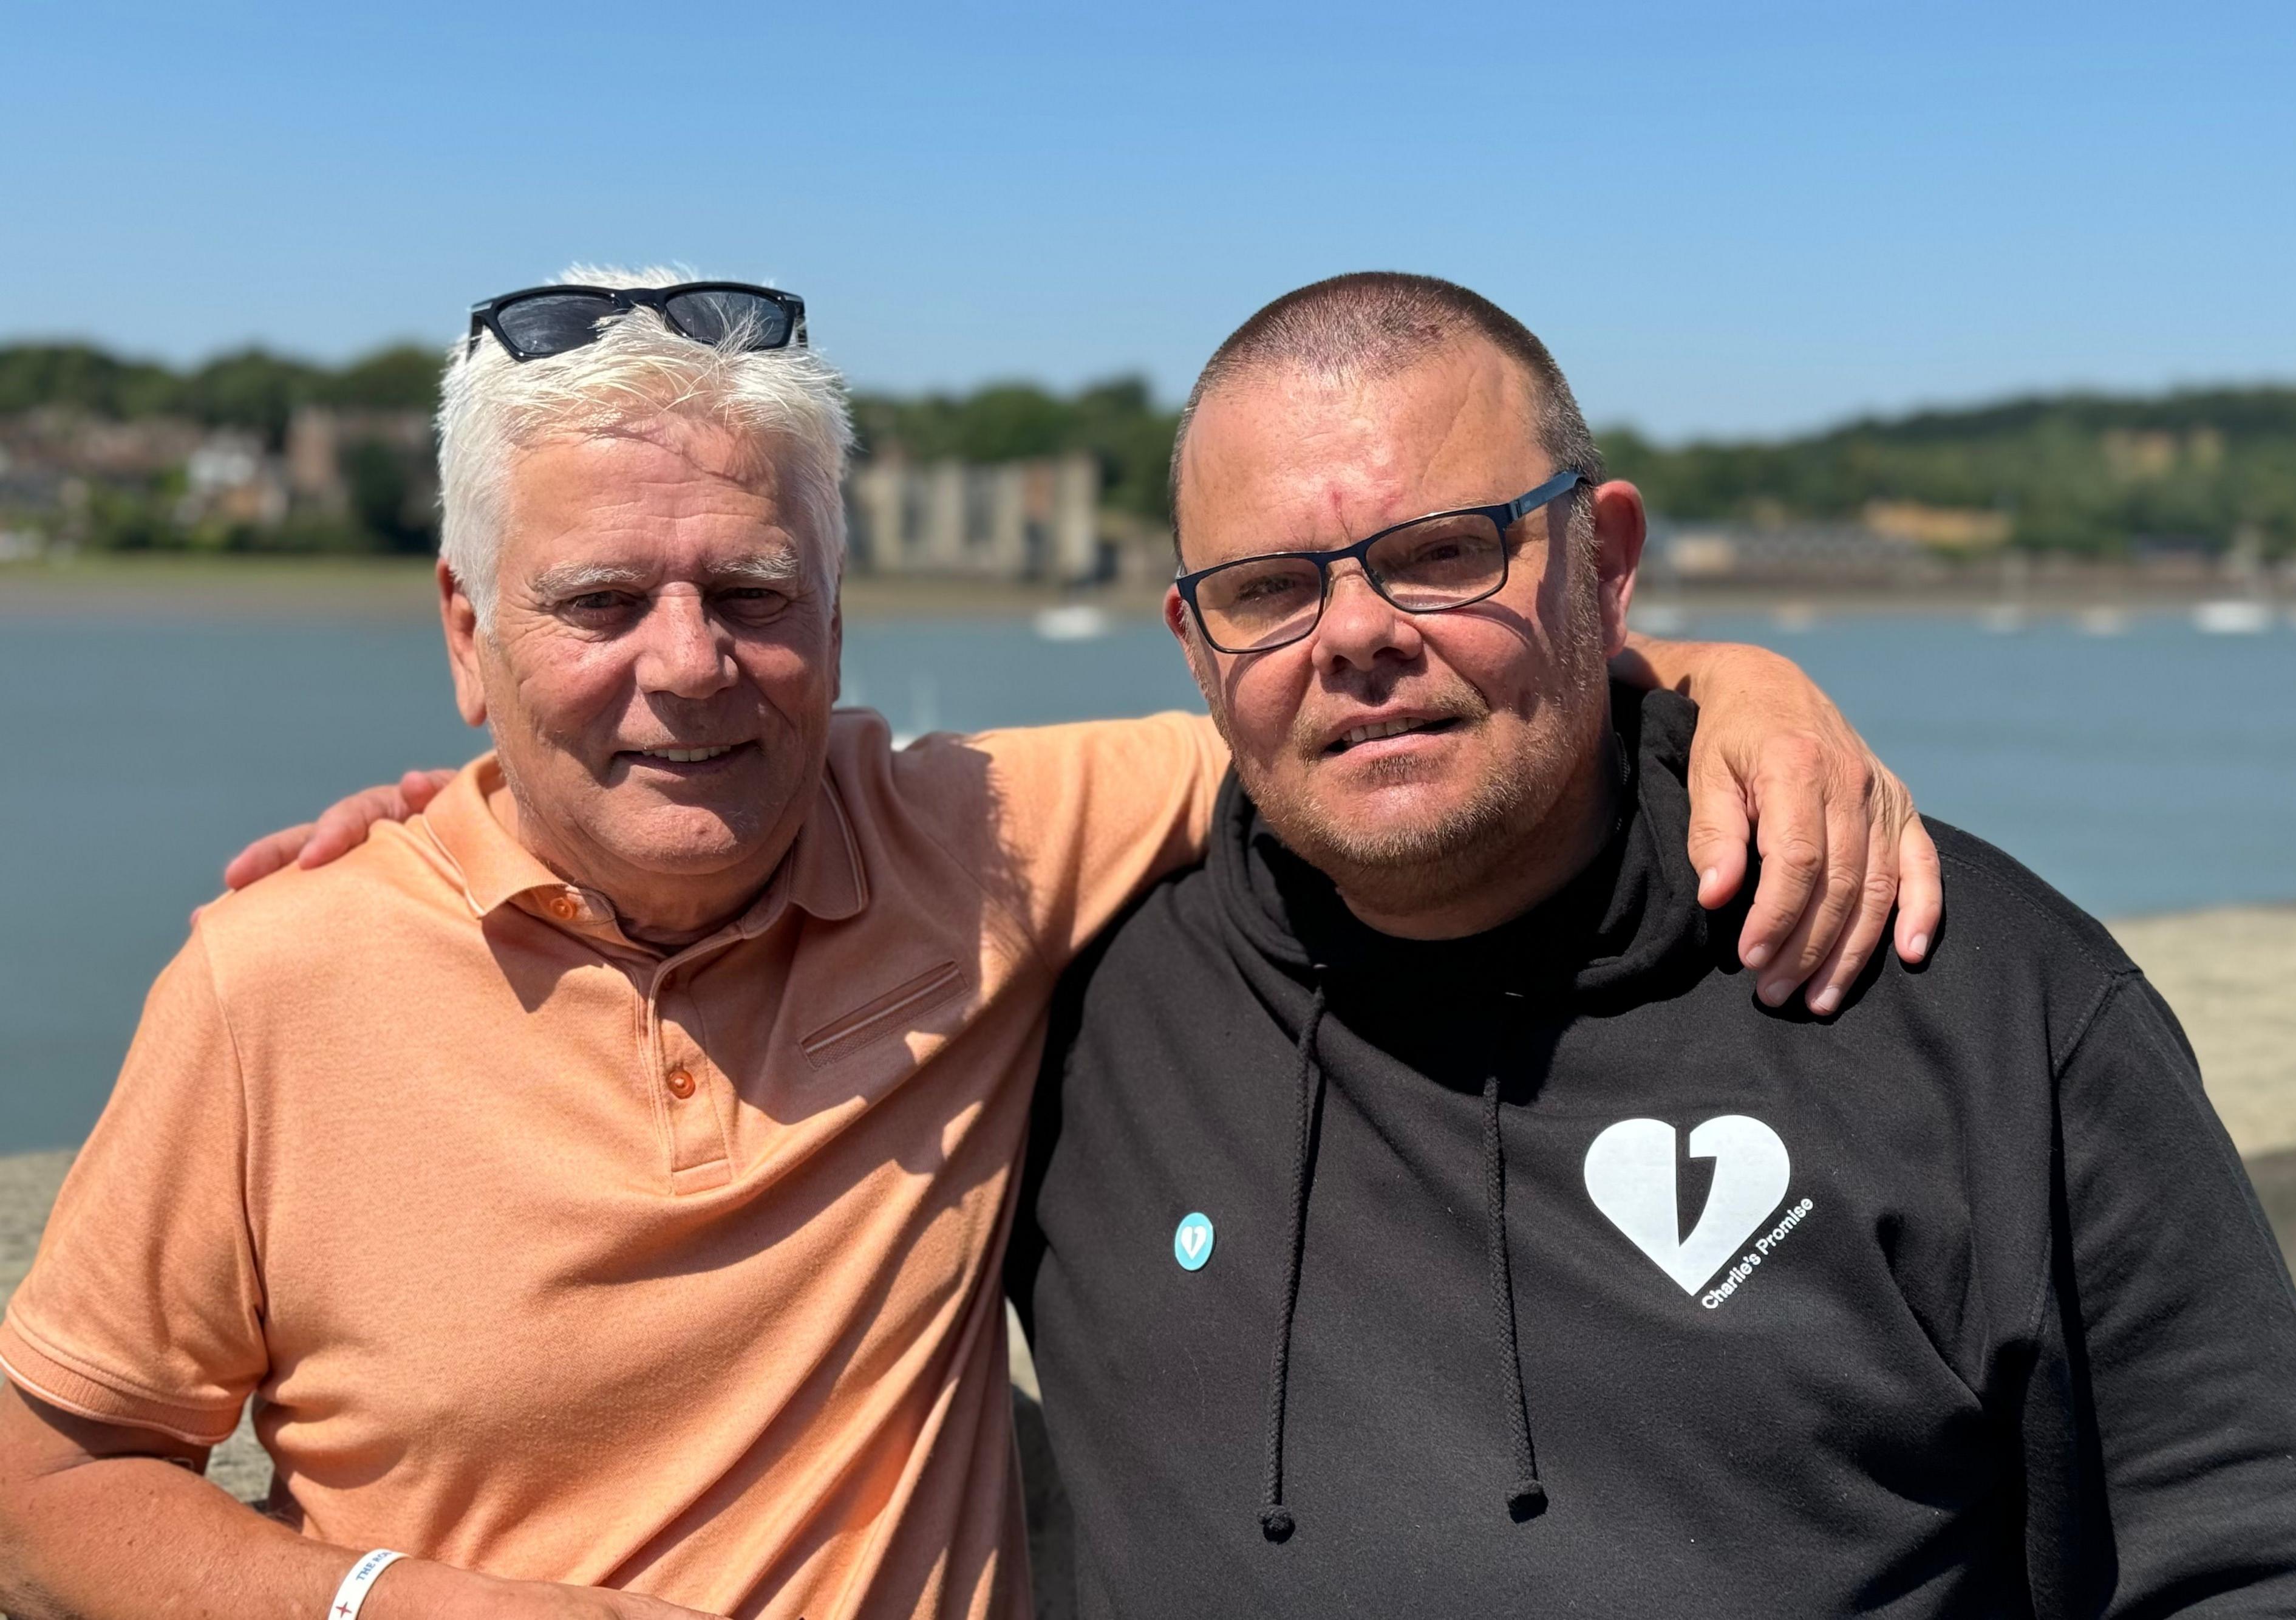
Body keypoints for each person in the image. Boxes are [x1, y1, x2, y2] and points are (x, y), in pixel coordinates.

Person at [0, 267, 1931, 1620]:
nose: (687, 664)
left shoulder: (983, 837)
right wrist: (375, 1600)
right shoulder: (276, 985)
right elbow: (41, 1491)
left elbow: (1369, 712)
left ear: (839, 618)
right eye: (598, 601)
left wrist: (1726, 681)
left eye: (753, 590)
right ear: (461, 633)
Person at [1003, 272, 2296, 1617]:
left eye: (1445, 550)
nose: (1356, 633)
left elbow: (2255, 1557)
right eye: (1268, 587)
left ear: (1606, 562)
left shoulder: (1953, 985)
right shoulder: (1067, 1018)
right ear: (1194, 642)